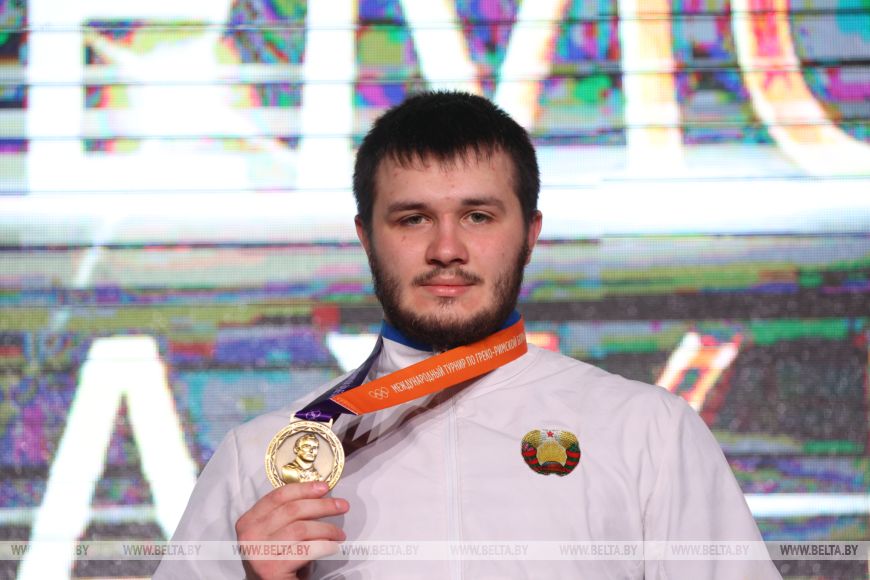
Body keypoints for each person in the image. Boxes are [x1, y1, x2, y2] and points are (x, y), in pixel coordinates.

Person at [155, 91, 781, 579]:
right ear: (366, 236)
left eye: (478, 216)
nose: (446, 249)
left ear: (530, 233)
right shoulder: (264, 456)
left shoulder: (648, 432)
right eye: (413, 219)